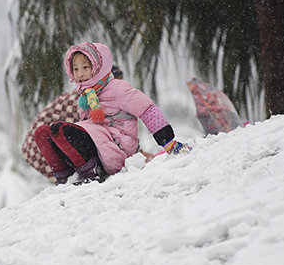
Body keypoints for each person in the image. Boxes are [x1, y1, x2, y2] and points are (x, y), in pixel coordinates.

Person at [34, 42, 191, 185]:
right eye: (75, 69)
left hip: (119, 147)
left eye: (85, 67)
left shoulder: (117, 88)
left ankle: (91, 171)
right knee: (44, 133)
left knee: (67, 130)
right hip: (100, 143)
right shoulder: (85, 96)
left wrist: (167, 141)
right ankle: (66, 175)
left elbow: (146, 108)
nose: (80, 74)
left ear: (97, 67)